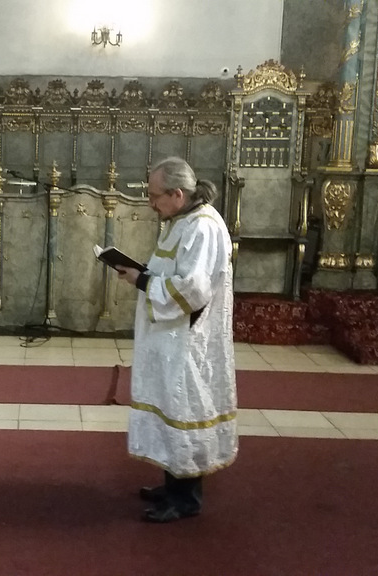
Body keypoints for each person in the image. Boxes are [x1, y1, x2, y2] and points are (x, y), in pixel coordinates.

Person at [114, 156, 237, 523]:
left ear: (177, 194)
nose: (151, 203)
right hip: (169, 337)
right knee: (169, 406)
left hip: (188, 340)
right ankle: (173, 485)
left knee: (184, 409)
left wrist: (142, 280)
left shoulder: (203, 227)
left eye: (155, 196)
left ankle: (185, 499)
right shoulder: (179, 221)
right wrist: (143, 273)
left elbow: (194, 289)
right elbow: (171, 271)